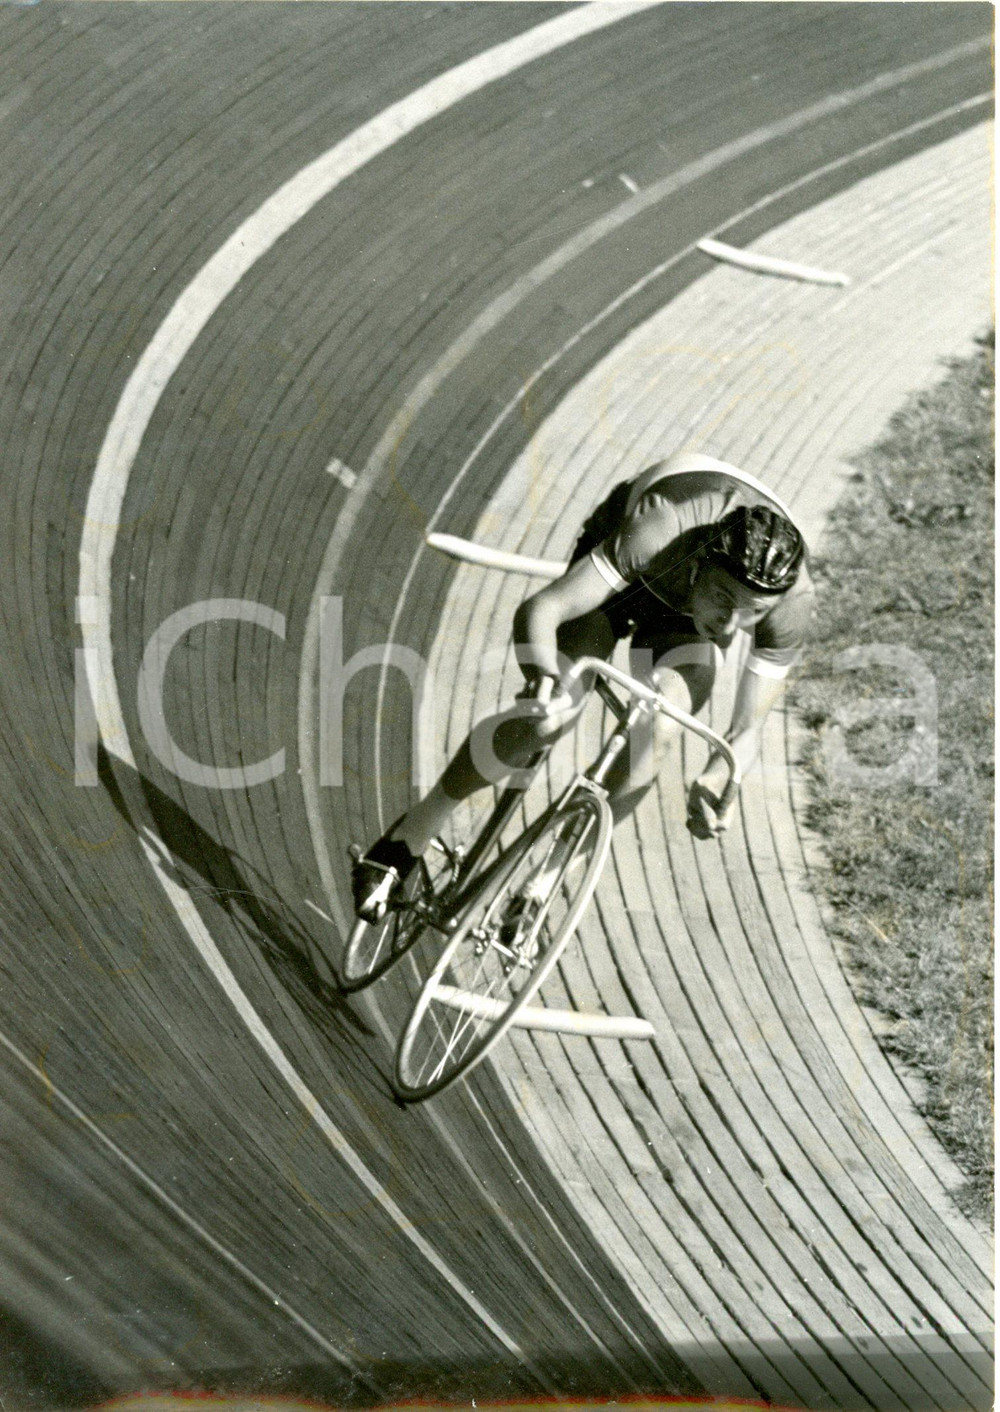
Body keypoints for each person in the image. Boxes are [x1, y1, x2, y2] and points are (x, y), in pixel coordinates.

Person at [351, 451, 813, 923]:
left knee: (662, 729)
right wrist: (544, 681)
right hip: (621, 575)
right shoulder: (660, 527)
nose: (731, 624)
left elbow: (746, 732)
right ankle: (410, 836)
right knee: (550, 715)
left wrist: (721, 780)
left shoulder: (792, 603)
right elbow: (544, 610)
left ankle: (544, 883)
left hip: (681, 615)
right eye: (724, 599)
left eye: (751, 613)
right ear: (701, 566)